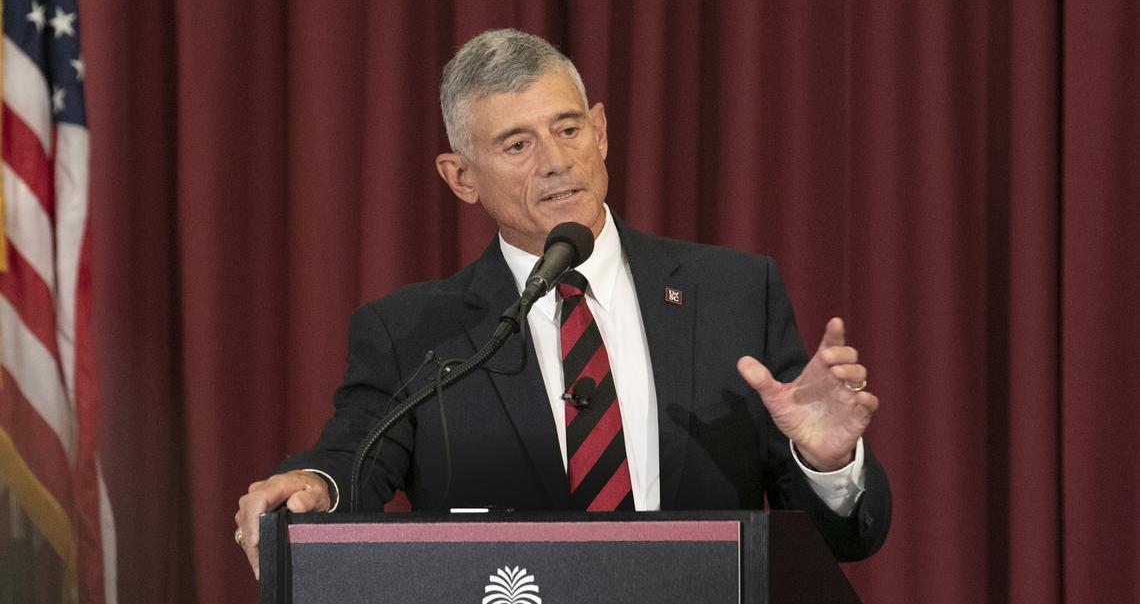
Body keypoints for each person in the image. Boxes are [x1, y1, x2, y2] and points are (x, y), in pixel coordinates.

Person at [234, 28, 891, 578]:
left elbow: (844, 540)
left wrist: (827, 461)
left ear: (600, 130)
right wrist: (316, 483)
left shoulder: (735, 292)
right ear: (460, 176)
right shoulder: (414, 329)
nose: (556, 162)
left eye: (568, 128)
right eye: (517, 144)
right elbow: (355, 449)